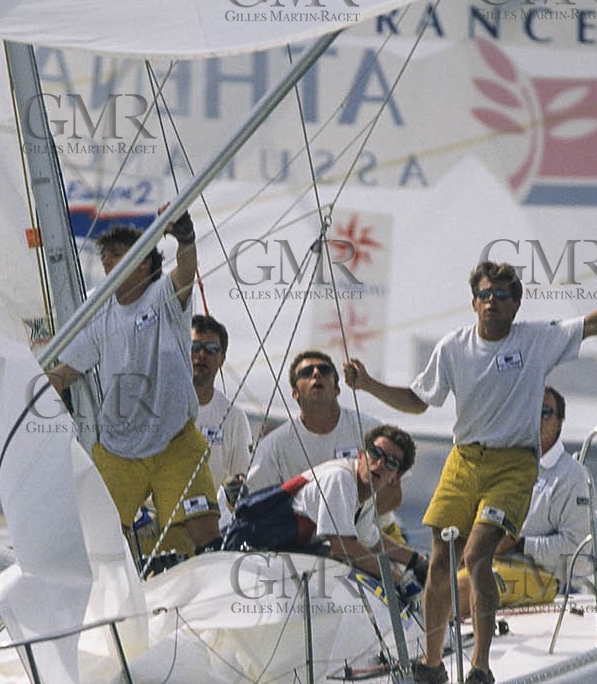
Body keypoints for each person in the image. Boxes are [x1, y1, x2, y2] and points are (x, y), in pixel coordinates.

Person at [345, 259, 597, 684]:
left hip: (513, 463)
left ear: (516, 305)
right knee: (441, 558)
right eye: (485, 294)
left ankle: (480, 665)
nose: (492, 301)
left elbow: (591, 326)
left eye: (502, 295)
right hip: (464, 459)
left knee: (477, 554)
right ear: (474, 302)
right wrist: (368, 384)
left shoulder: (536, 339)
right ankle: (432, 662)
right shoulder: (453, 347)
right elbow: (418, 400)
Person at [48, 213, 220, 557]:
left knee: (206, 535)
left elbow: (185, 272)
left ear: (143, 263)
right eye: (105, 255)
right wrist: (28, 396)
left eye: (116, 254)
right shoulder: (97, 308)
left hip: (175, 442)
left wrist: (186, 239)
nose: (107, 261)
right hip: (120, 449)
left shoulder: (162, 295)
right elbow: (65, 372)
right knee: (97, 545)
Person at [460, 387, 592, 623]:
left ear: (559, 423)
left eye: (545, 412)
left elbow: (578, 554)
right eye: (529, 411)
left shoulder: (572, 476)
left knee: (463, 588)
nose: (535, 419)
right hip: (489, 561)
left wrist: (519, 544)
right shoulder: (505, 465)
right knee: (435, 578)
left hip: (542, 576)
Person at [289, 425, 423, 579]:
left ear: (396, 476)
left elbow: (371, 540)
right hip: (272, 551)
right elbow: (343, 548)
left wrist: (418, 561)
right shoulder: (340, 478)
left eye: (391, 462)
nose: (380, 464)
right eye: (375, 453)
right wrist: (398, 580)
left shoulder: (368, 494)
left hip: (295, 555)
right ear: (361, 455)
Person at [245, 349, 376, 491]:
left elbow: (392, 487)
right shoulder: (273, 447)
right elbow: (252, 494)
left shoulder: (370, 432)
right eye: (306, 372)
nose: (316, 373)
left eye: (325, 370)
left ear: (337, 389)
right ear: (295, 393)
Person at [191, 314, 252, 510]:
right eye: (195, 347)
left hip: (212, 520)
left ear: (222, 358)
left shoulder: (234, 417)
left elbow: (240, 478)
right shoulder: (159, 408)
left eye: (211, 349)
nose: (202, 354)